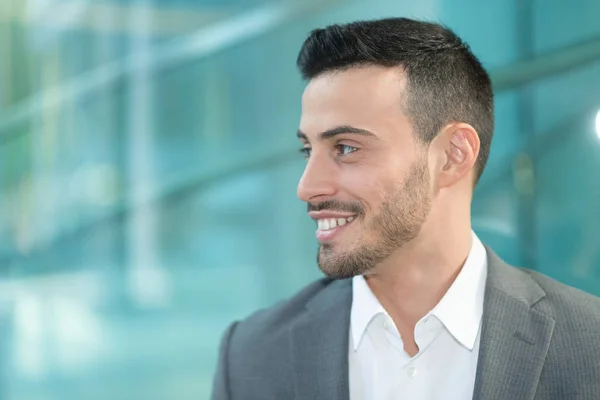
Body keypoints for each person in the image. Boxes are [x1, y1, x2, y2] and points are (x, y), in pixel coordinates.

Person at [211, 17, 600, 400]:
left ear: (453, 155)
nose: (306, 187)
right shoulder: (251, 357)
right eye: (307, 150)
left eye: (346, 148)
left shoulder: (589, 345)